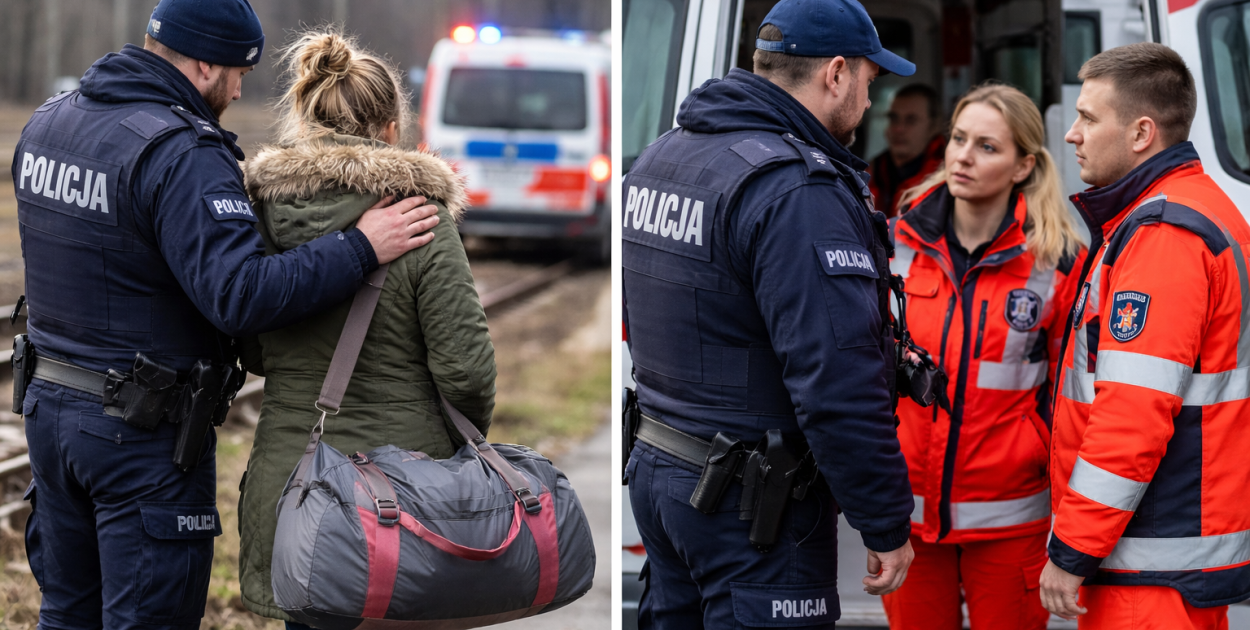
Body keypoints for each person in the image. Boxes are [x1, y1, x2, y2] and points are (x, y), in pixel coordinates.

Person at [11, 2, 440, 628]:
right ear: (205, 63)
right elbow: (240, 295)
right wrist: (360, 247)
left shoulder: (50, 124)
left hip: (50, 421)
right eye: (239, 72)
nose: (240, 89)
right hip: (139, 437)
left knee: (67, 615)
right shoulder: (183, 152)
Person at [621, 0, 917, 626]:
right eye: (868, 81)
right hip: (752, 510)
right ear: (835, 73)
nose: (868, 102)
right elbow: (836, 381)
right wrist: (885, 522)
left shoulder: (663, 157)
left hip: (663, 475)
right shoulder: (795, 190)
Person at [234, 31, 497, 628]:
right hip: (406, 493)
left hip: (294, 485)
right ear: (389, 127)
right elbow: (466, 370)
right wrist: (457, 448)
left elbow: (252, 344)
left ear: (306, 120)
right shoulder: (420, 217)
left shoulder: (261, 213)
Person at [1040, 42, 1250, 629]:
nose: (1072, 135)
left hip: (1146, 571)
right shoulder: (1189, 211)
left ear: (1141, 133)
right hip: (1160, 560)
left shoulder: (1163, 233)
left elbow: (1133, 414)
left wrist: (1072, 547)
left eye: (1087, 117)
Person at [883, 84, 1086, 629]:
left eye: (987, 146)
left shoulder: (1057, 264)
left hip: (1010, 518)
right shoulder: (890, 246)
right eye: (957, 138)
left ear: (1023, 166)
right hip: (908, 518)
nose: (963, 156)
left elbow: (1074, 397)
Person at [869, 84, 945, 217]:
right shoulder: (870, 173)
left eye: (911, 120)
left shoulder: (946, 179)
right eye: (894, 119)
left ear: (933, 126)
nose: (898, 129)